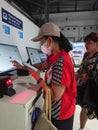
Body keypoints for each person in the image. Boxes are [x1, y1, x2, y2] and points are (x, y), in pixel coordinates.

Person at [12, 22, 76, 130]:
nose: (42, 45)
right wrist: (23, 67)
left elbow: (55, 96)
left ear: (50, 40)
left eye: (42, 42)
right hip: (56, 110)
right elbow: (41, 66)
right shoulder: (54, 56)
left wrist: (38, 78)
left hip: (61, 113)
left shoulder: (62, 62)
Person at [77, 32, 98, 130]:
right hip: (86, 90)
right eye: (85, 42)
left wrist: (89, 77)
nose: (86, 45)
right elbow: (81, 69)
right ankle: (81, 128)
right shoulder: (86, 55)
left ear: (96, 43)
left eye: (88, 42)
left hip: (96, 90)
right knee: (84, 109)